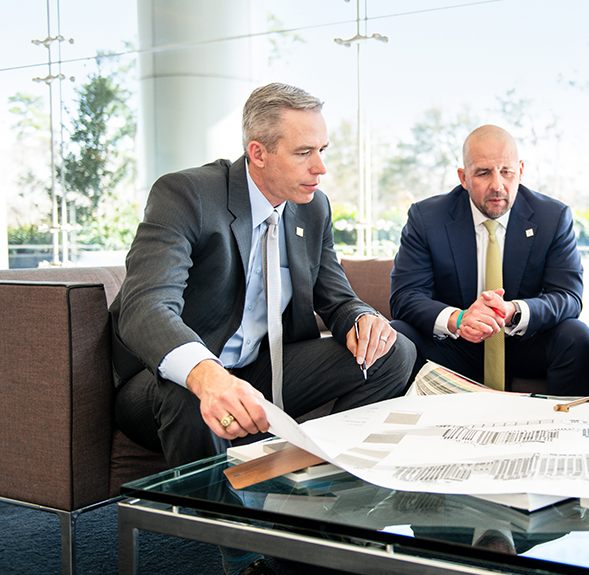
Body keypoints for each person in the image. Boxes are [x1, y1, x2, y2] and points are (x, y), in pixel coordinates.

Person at [109, 83, 415, 575]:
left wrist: (361, 319)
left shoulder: (313, 207)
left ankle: (322, 491)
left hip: (261, 374)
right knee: (191, 392)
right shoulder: (185, 194)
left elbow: (336, 298)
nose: (321, 167)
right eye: (305, 153)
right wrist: (207, 375)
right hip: (166, 385)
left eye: (323, 151)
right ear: (259, 154)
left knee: (394, 351)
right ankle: (245, 553)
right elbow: (146, 305)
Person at [389, 124, 589, 396]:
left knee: (576, 336)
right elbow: (405, 296)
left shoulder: (552, 217)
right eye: (484, 173)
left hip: (524, 345)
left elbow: (569, 296)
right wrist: (458, 319)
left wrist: (514, 312)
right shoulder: (427, 218)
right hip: (456, 345)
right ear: (463, 178)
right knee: (397, 334)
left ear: (520, 171)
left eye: (506, 172)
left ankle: (564, 428)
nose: (497, 185)